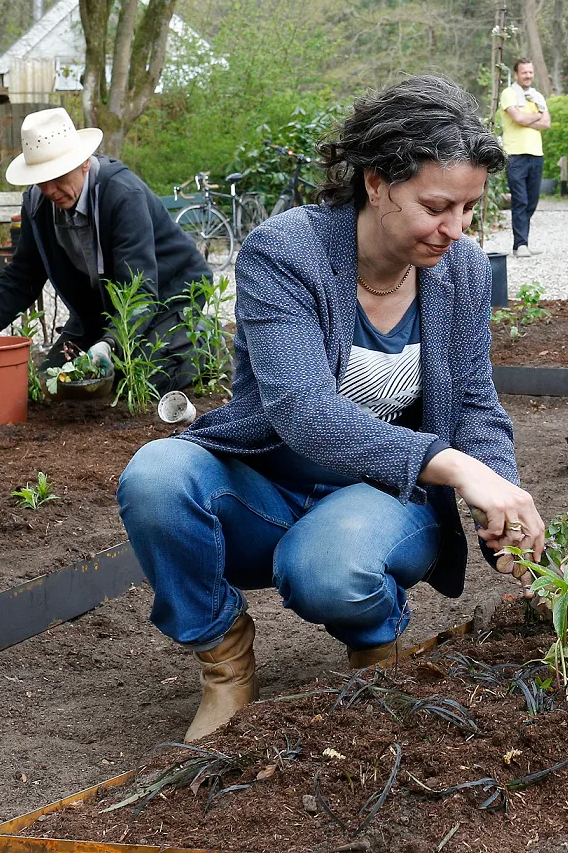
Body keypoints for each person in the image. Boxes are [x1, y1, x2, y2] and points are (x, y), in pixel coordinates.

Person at [117, 76, 545, 743]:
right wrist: (452, 464)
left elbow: (473, 406)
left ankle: (379, 654)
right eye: (437, 206)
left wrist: (502, 516)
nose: (455, 229)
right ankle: (223, 657)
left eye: (469, 208)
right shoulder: (287, 253)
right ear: (376, 181)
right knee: (156, 476)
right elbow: (303, 411)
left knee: (327, 568)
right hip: (269, 481)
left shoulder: (458, 270)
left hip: (383, 497)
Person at [0, 107, 210, 392]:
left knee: (135, 382)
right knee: (53, 383)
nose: (50, 189)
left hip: (169, 296)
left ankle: (200, 340)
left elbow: (139, 291)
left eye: (58, 177)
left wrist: (110, 343)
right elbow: (21, 277)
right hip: (102, 310)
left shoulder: (123, 195)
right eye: (42, 179)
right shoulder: (37, 204)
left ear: (84, 164)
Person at [497, 58, 551, 257]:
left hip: (536, 154)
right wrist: (536, 116)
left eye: (530, 72)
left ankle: (522, 242)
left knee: (532, 202)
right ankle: (521, 245)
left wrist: (530, 118)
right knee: (520, 200)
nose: (528, 76)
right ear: (517, 74)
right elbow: (518, 118)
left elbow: (547, 123)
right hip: (516, 154)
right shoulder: (509, 94)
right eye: (524, 72)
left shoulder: (537, 96)